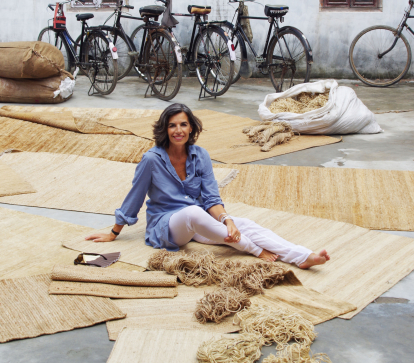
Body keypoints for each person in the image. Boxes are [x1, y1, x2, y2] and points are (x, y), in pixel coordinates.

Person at [85, 103, 330, 269]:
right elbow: (134, 197)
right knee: (193, 213)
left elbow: (211, 197)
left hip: (200, 220)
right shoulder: (151, 159)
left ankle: (303, 257)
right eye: (172, 125)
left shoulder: (200, 155)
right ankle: (252, 249)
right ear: (165, 129)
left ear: (191, 127)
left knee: (245, 224)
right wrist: (114, 232)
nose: (178, 130)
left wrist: (227, 220)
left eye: (183, 124)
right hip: (168, 226)